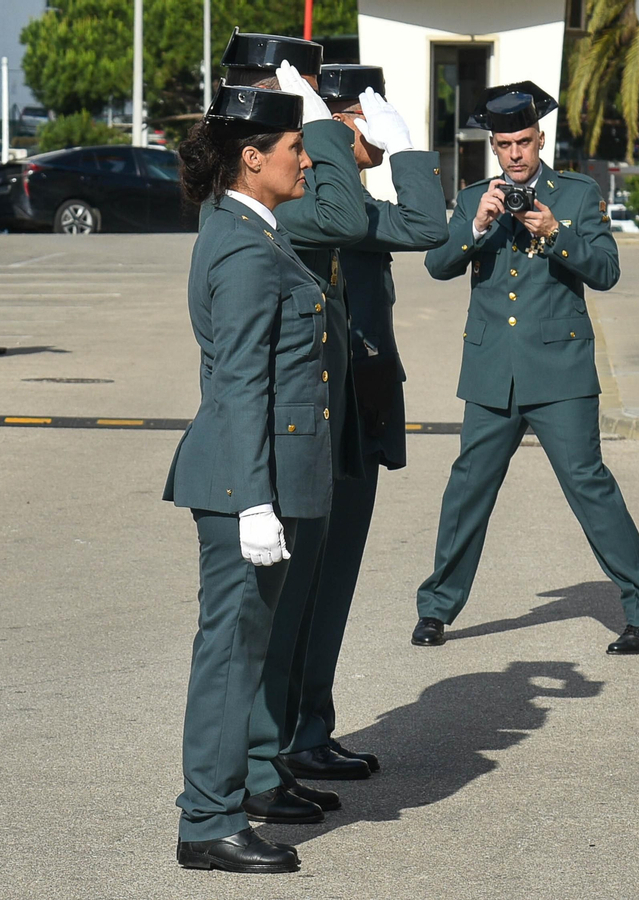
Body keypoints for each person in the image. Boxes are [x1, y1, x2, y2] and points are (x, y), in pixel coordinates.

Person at [414, 81, 639, 653]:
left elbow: (606, 270)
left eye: (524, 141)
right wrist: (476, 226)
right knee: (468, 488)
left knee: (590, 486)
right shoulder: (473, 196)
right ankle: (436, 609)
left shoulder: (576, 193)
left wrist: (557, 232)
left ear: (540, 138)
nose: (516, 154)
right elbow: (436, 264)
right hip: (491, 372)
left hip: (558, 371)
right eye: (504, 145)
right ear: (494, 147)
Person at [217, 34, 381, 814]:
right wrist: (318, 120)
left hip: (321, 421)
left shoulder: (269, 215)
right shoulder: (254, 228)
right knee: (254, 633)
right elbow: (347, 209)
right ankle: (243, 779)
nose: (310, 152)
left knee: (297, 612)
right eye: (299, 88)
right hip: (277, 443)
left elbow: (406, 222)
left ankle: (273, 757)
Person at [163, 83, 320, 875]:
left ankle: (226, 800)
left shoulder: (247, 228)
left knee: (240, 653)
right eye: (294, 147)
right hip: (240, 486)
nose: (306, 157)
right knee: (229, 655)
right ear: (252, 159)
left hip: (249, 478)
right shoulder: (244, 248)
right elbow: (240, 386)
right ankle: (208, 821)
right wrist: (257, 500)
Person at [277, 64, 448, 783]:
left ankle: (310, 727)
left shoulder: (355, 205)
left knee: (335, 582)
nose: (372, 130)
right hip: (310, 422)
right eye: (359, 119)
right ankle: (274, 740)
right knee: (295, 592)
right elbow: (352, 219)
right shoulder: (301, 207)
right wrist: (334, 137)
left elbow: (425, 224)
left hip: (361, 414)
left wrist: (406, 150)